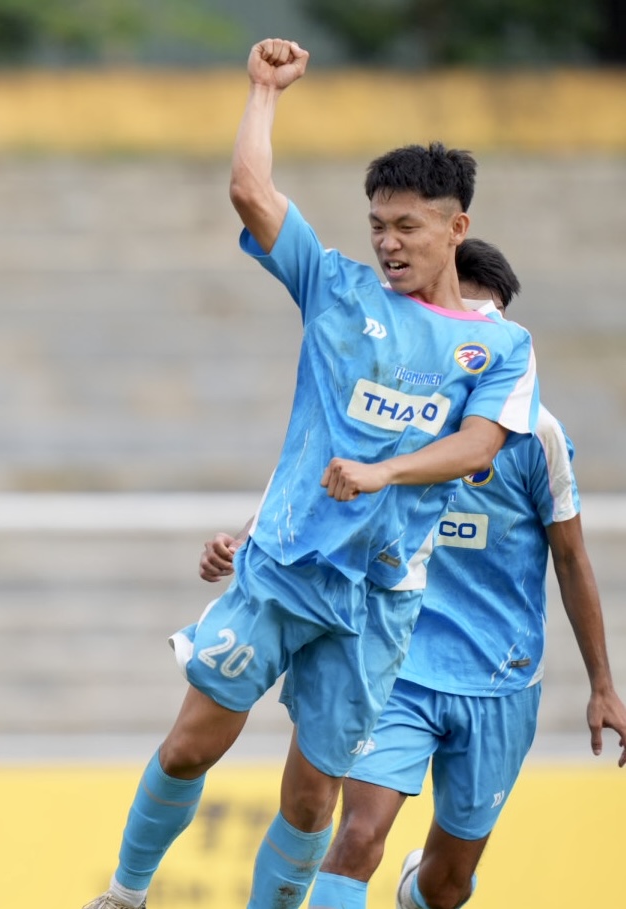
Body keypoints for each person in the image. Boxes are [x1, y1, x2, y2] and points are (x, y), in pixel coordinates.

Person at [81, 39, 539, 909]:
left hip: (380, 598)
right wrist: (263, 90)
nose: (389, 242)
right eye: (378, 224)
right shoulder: (336, 289)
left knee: (311, 798)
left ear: (456, 228)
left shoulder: (502, 348)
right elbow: (251, 191)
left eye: (408, 226)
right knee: (191, 744)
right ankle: (125, 893)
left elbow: (479, 447)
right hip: (285, 568)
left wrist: (382, 472)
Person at [300, 238, 626, 909]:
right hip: (397, 661)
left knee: (446, 885)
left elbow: (571, 557)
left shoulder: (538, 437)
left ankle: (420, 889)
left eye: (495, 326)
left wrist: (603, 684)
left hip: (500, 677)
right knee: (359, 833)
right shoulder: (395, 417)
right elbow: (315, 494)